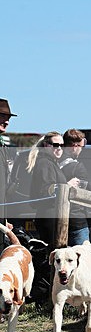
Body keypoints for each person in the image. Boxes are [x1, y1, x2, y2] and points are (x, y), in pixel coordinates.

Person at [27, 132, 80, 246]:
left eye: (62, 145)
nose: (59, 148)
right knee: (53, 255)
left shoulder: (50, 162)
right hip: (49, 217)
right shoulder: (45, 163)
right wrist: (67, 185)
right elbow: (46, 190)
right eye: (56, 145)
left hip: (53, 216)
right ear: (47, 145)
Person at [60, 128, 91, 245]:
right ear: (74, 146)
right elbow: (90, 191)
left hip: (54, 218)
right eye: (81, 147)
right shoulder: (77, 167)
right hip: (76, 219)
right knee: (83, 258)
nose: (81, 150)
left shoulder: (53, 162)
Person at [0, 98, 16, 250]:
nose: (7, 121)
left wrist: (4, 219)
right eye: (2, 116)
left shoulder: (3, 145)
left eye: (8, 118)